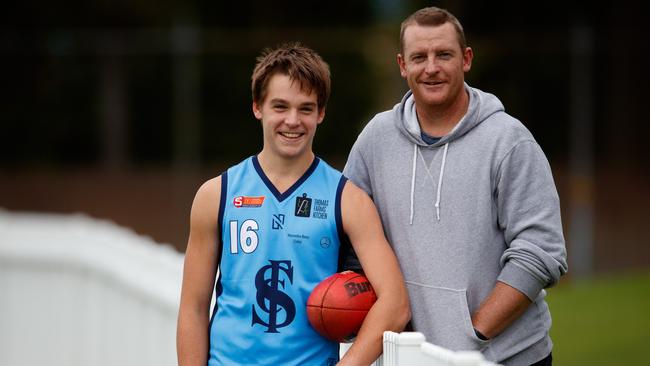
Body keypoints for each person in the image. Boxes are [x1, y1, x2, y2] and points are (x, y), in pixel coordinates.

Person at [343, 7, 568, 366]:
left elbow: (541, 251)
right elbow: (350, 238)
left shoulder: (509, 140)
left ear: (465, 59)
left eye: (443, 55)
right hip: (414, 358)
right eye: (419, 57)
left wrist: (474, 333)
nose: (431, 67)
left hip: (505, 358)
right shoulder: (375, 140)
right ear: (403, 65)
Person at [176, 43, 410, 366]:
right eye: (280, 106)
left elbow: (396, 302)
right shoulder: (216, 195)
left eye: (305, 108)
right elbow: (193, 307)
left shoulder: (348, 200)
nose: (292, 120)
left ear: (321, 113)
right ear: (258, 107)